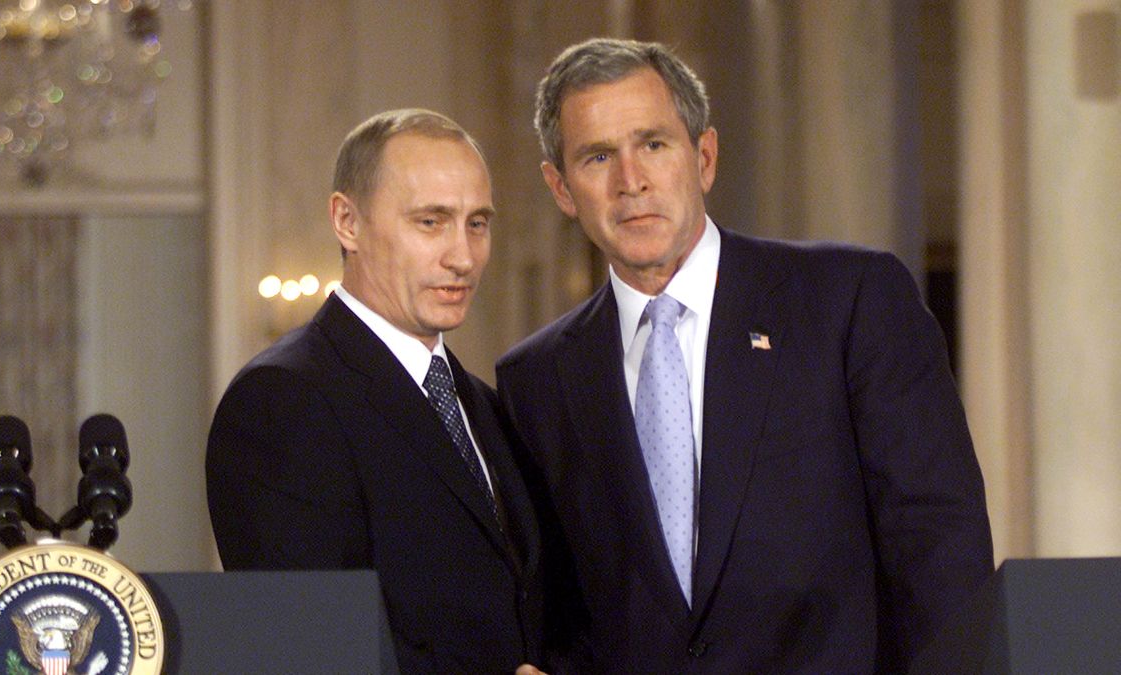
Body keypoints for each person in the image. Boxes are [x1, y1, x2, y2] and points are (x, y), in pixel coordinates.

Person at [495, 38, 993, 672]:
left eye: (653, 144)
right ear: (561, 188)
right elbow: (561, 607)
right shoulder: (535, 380)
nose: (631, 181)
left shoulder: (849, 300)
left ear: (703, 157)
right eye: (597, 157)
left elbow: (938, 543)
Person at [207, 109, 544, 674]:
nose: (462, 256)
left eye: (477, 223)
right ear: (347, 221)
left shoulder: (484, 404)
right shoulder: (281, 400)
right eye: (431, 222)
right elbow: (309, 653)